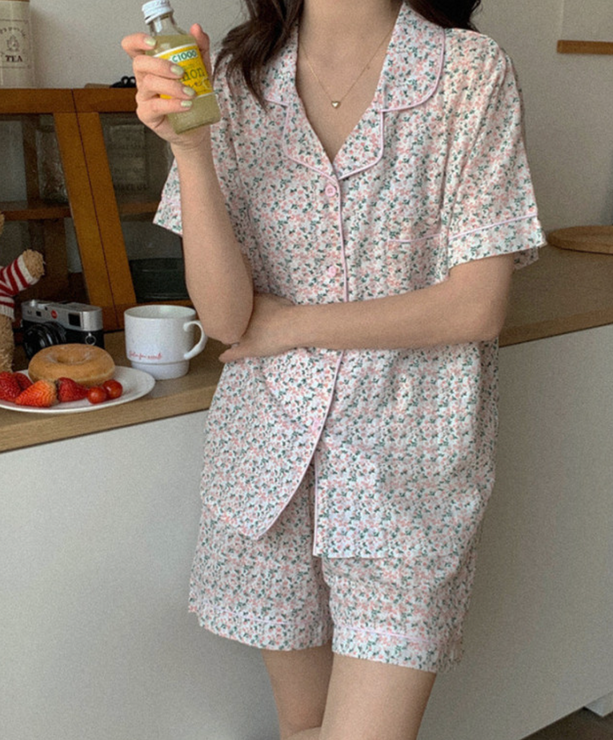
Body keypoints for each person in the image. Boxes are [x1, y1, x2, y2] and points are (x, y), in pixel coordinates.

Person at [123, 1, 544, 737]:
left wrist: (294, 324)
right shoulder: (239, 77)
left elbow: (476, 307)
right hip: (270, 465)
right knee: (304, 726)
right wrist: (189, 150)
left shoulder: (468, 72)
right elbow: (225, 318)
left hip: (405, 469)